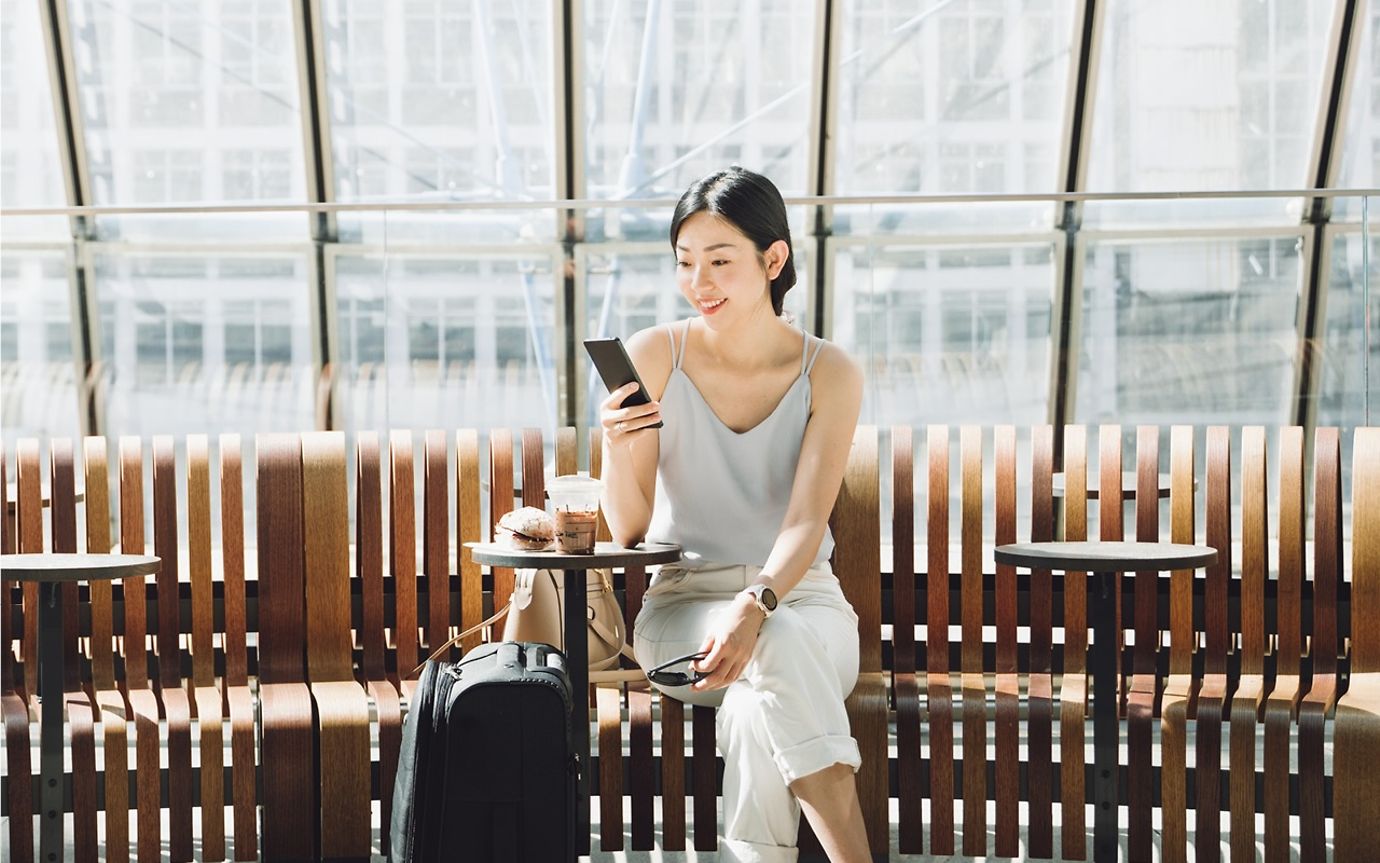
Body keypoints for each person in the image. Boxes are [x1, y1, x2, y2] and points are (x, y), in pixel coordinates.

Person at [598, 166, 869, 863]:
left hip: (807, 608)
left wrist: (758, 601)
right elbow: (626, 529)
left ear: (773, 260)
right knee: (767, 647)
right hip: (683, 613)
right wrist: (617, 443)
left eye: (720, 261)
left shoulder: (828, 370)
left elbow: (807, 521)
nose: (699, 282)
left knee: (759, 695)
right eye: (686, 263)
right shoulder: (657, 353)